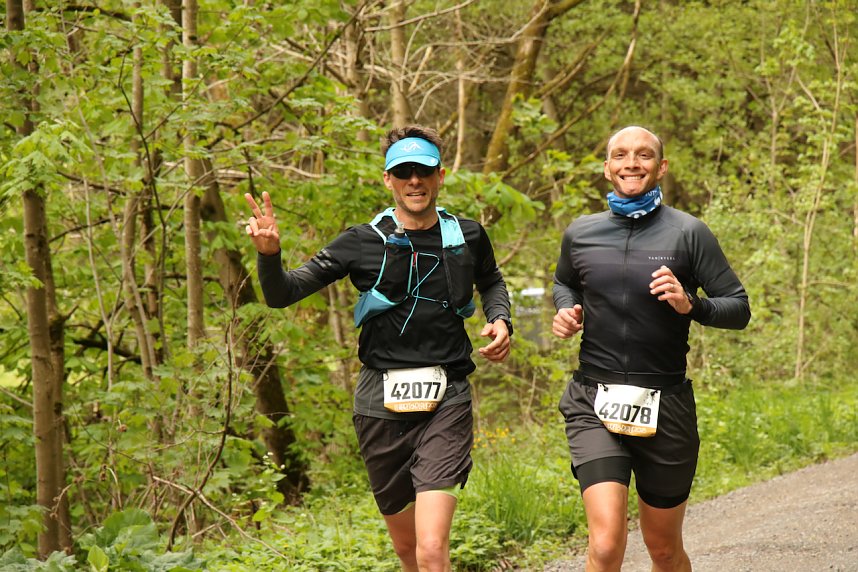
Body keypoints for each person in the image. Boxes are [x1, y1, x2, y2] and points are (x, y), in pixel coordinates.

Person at [245, 124, 512, 572]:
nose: (414, 181)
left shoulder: (467, 235)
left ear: (440, 175)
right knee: (408, 551)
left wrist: (500, 317)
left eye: (423, 170)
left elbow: (491, 280)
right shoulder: (361, 241)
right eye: (403, 172)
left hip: (447, 397)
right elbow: (282, 294)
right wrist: (269, 255)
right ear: (388, 179)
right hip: (379, 403)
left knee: (431, 548)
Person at [552, 126, 750, 572]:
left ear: (661, 167)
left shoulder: (688, 233)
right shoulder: (581, 233)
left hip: (666, 405)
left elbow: (738, 308)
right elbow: (565, 282)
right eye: (620, 155)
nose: (631, 163)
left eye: (643, 155)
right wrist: (567, 309)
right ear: (607, 168)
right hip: (594, 400)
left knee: (663, 549)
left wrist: (691, 304)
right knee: (606, 544)